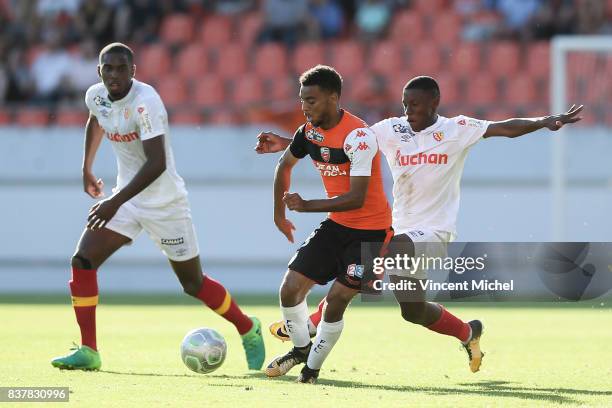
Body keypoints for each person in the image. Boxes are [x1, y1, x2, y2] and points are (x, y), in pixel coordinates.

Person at [256, 75, 584, 375]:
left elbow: (504, 127)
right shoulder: (390, 130)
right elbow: (342, 143)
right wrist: (287, 142)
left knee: (370, 261)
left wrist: (545, 121)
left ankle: (312, 324)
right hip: (399, 226)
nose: (408, 111)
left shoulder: (457, 128)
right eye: (404, 105)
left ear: (434, 103)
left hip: (434, 231)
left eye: (415, 105)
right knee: (411, 310)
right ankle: (469, 332)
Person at [51, 42, 265, 371]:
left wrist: (113, 202)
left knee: (192, 284)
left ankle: (247, 327)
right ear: (99, 71)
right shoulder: (95, 95)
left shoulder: (146, 102)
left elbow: (157, 163)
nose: (115, 75)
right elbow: (97, 119)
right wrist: (87, 168)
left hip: (165, 203)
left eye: (122, 68)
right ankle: (89, 350)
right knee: (82, 260)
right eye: (108, 68)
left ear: (133, 71)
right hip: (126, 198)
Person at [264, 65, 392, 384]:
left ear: (333, 98)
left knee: (335, 302)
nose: (305, 107)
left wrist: (306, 206)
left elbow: (356, 198)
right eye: (302, 101)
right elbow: (284, 164)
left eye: (312, 100)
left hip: (372, 233)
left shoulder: (359, 137)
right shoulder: (309, 132)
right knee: (289, 288)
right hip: (337, 225)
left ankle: (311, 371)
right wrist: (279, 214)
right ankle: (300, 350)